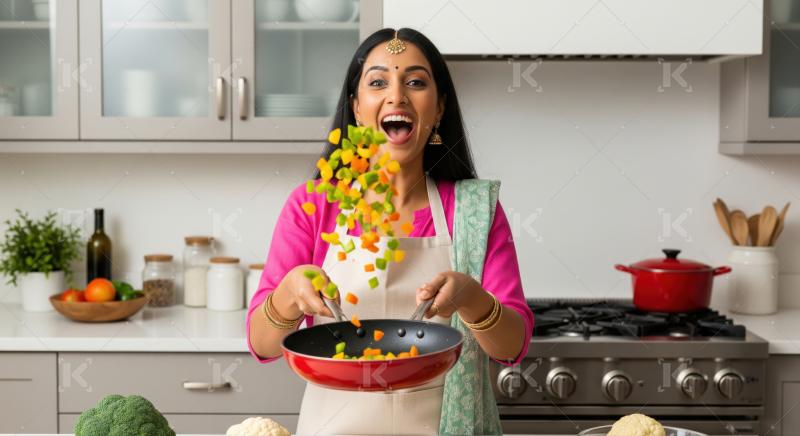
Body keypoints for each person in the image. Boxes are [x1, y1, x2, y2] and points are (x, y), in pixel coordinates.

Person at [246, 28, 534, 435]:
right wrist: (288, 295)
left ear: (439, 108)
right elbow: (262, 344)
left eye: (415, 82)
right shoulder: (314, 204)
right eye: (378, 82)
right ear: (356, 108)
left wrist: (471, 299)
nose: (397, 96)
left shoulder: (474, 211)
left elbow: (511, 348)